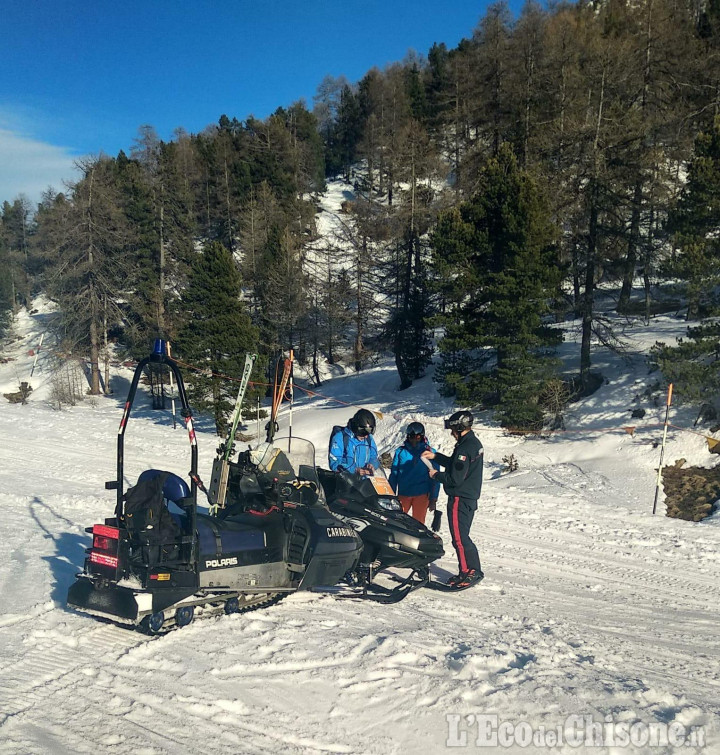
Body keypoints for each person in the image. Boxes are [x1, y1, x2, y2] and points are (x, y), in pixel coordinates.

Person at [422, 410, 484, 589]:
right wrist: (436, 457)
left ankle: (469, 572)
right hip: (468, 496)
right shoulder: (471, 443)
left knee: (459, 538)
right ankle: (471, 570)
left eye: (453, 429)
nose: (451, 433)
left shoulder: (465, 448)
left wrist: (436, 475)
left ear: (459, 428)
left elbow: (455, 478)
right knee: (462, 536)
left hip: (460, 497)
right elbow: (456, 465)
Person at [389, 422, 440, 524]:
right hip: (404, 493)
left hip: (422, 494)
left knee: (418, 524)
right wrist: (390, 494)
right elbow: (394, 475)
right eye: (412, 437)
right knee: (398, 522)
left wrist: (433, 498)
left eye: (417, 437)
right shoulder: (400, 451)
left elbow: (436, 477)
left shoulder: (429, 452)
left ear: (422, 436)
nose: (414, 440)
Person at [328, 408, 380, 476]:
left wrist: (372, 465)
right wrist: (354, 470)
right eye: (363, 432)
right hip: (345, 480)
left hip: (365, 482)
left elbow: (374, 457)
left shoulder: (368, 439)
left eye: (369, 432)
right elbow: (334, 463)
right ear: (356, 427)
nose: (366, 436)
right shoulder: (340, 438)